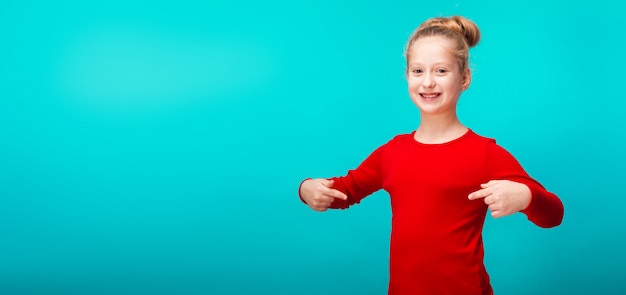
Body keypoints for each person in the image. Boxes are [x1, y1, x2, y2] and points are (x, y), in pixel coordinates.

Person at [298, 15, 564, 295]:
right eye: (417, 71)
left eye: (440, 71)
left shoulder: (486, 154)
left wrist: (527, 196)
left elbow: (553, 215)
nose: (427, 82)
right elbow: (343, 192)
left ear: (464, 78)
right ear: (407, 76)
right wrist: (306, 188)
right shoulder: (392, 153)